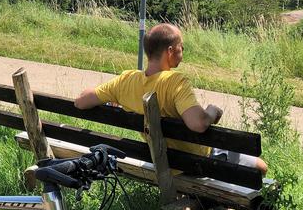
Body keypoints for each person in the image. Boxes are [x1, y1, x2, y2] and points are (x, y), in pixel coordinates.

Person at [74, 23, 267, 174]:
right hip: (197, 163)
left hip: (163, 161)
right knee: (261, 167)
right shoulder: (175, 82)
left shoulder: (126, 81)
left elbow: (80, 101)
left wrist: (111, 100)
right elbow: (198, 124)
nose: (183, 50)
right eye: (181, 46)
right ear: (170, 51)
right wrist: (213, 111)